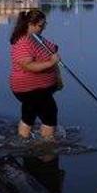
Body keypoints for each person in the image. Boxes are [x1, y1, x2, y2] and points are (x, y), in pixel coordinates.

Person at [9, 9, 61, 140]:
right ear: (30, 24)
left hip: (40, 88)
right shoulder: (23, 41)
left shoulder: (37, 38)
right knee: (49, 113)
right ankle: (47, 147)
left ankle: (23, 142)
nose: (43, 28)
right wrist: (51, 63)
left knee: (29, 114)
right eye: (40, 25)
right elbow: (28, 66)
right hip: (30, 88)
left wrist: (57, 77)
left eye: (44, 25)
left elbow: (53, 50)